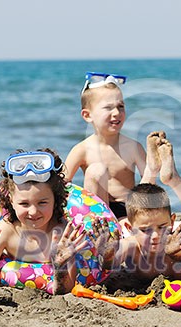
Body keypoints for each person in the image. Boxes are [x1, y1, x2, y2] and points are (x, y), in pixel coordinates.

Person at [0, 148, 96, 294]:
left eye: (42, 203)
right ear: (11, 201)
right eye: (24, 204)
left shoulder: (63, 234)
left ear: (56, 200)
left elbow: (65, 290)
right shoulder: (5, 231)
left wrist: (60, 268)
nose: (33, 212)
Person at [98, 133, 181, 280]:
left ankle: (171, 177)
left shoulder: (177, 244)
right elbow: (109, 263)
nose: (155, 236)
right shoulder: (132, 246)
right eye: (145, 230)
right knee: (138, 206)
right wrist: (107, 254)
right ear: (130, 229)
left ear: (172, 222)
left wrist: (176, 254)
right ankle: (152, 170)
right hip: (147, 222)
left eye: (161, 228)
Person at [64, 72, 147, 220]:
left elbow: (149, 183)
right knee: (96, 171)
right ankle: (100, 227)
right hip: (96, 211)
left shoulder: (133, 147)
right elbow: (62, 184)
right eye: (108, 108)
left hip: (128, 211)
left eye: (121, 106)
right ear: (87, 115)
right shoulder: (82, 150)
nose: (116, 113)